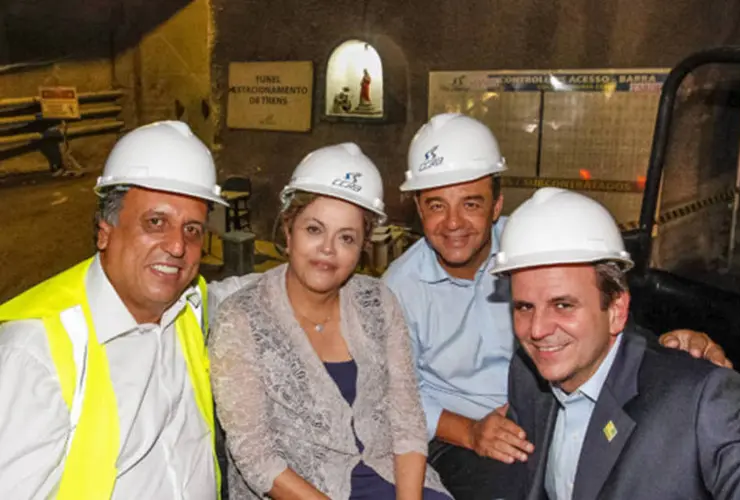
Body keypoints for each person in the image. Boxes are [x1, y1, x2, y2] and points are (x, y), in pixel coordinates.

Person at [382, 112, 733, 499]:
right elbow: (390, 393)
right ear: (418, 208)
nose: (453, 223)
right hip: (458, 433)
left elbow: (597, 313)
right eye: (436, 206)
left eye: (470, 204)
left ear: (497, 205)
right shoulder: (398, 290)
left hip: (547, 407)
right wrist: (469, 431)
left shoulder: (533, 243)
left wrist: (668, 350)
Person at [0, 121, 230, 499]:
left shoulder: (190, 306)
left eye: (192, 230)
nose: (177, 246)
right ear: (105, 229)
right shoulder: (35, 353)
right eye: (156, 222)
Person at [209, 143, 451, 499]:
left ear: (363, 247)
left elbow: (407, 421)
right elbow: (255, 455)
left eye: (346, 238)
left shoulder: (378, 302)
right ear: (288, 231)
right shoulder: (241, 319)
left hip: (393, 482)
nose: (328, 249)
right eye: (314, 230)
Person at [495, 187, 740, 499]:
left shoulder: (701, 401)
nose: (537, 330)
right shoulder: (526, 377)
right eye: (524, 307)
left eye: (563, 305)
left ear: (616, 311)